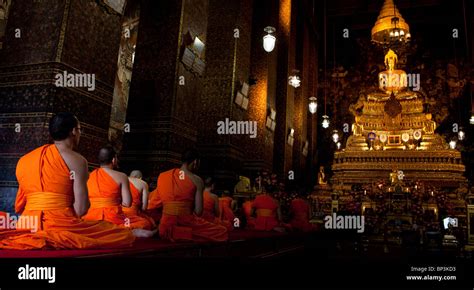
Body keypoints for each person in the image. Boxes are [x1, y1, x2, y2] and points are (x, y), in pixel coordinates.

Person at [0, 112, 135, 249]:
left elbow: (19, 205)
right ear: (73, 131)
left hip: (26, 224)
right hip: (61, 225)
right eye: (80, 129)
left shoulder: (25, 160)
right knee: (122, 234)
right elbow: (81, 209)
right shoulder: (77, 160)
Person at [157, 148, 228, 242]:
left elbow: (155, 202)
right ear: (195, 162)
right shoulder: (197, 180)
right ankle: (180, 233)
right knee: (222, 231)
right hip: (186, 222)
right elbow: (198, 212)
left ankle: (168, 232)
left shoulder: (163, 176)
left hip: (165, 225)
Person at [83, 147, 156, 236]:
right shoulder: (121, 176)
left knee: (89, 225)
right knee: (143, 222)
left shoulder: (89, 176)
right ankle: (124, 230)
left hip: (91, 217)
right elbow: (127, 203)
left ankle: (103, 229)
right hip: (113, 217)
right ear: (114, 160)